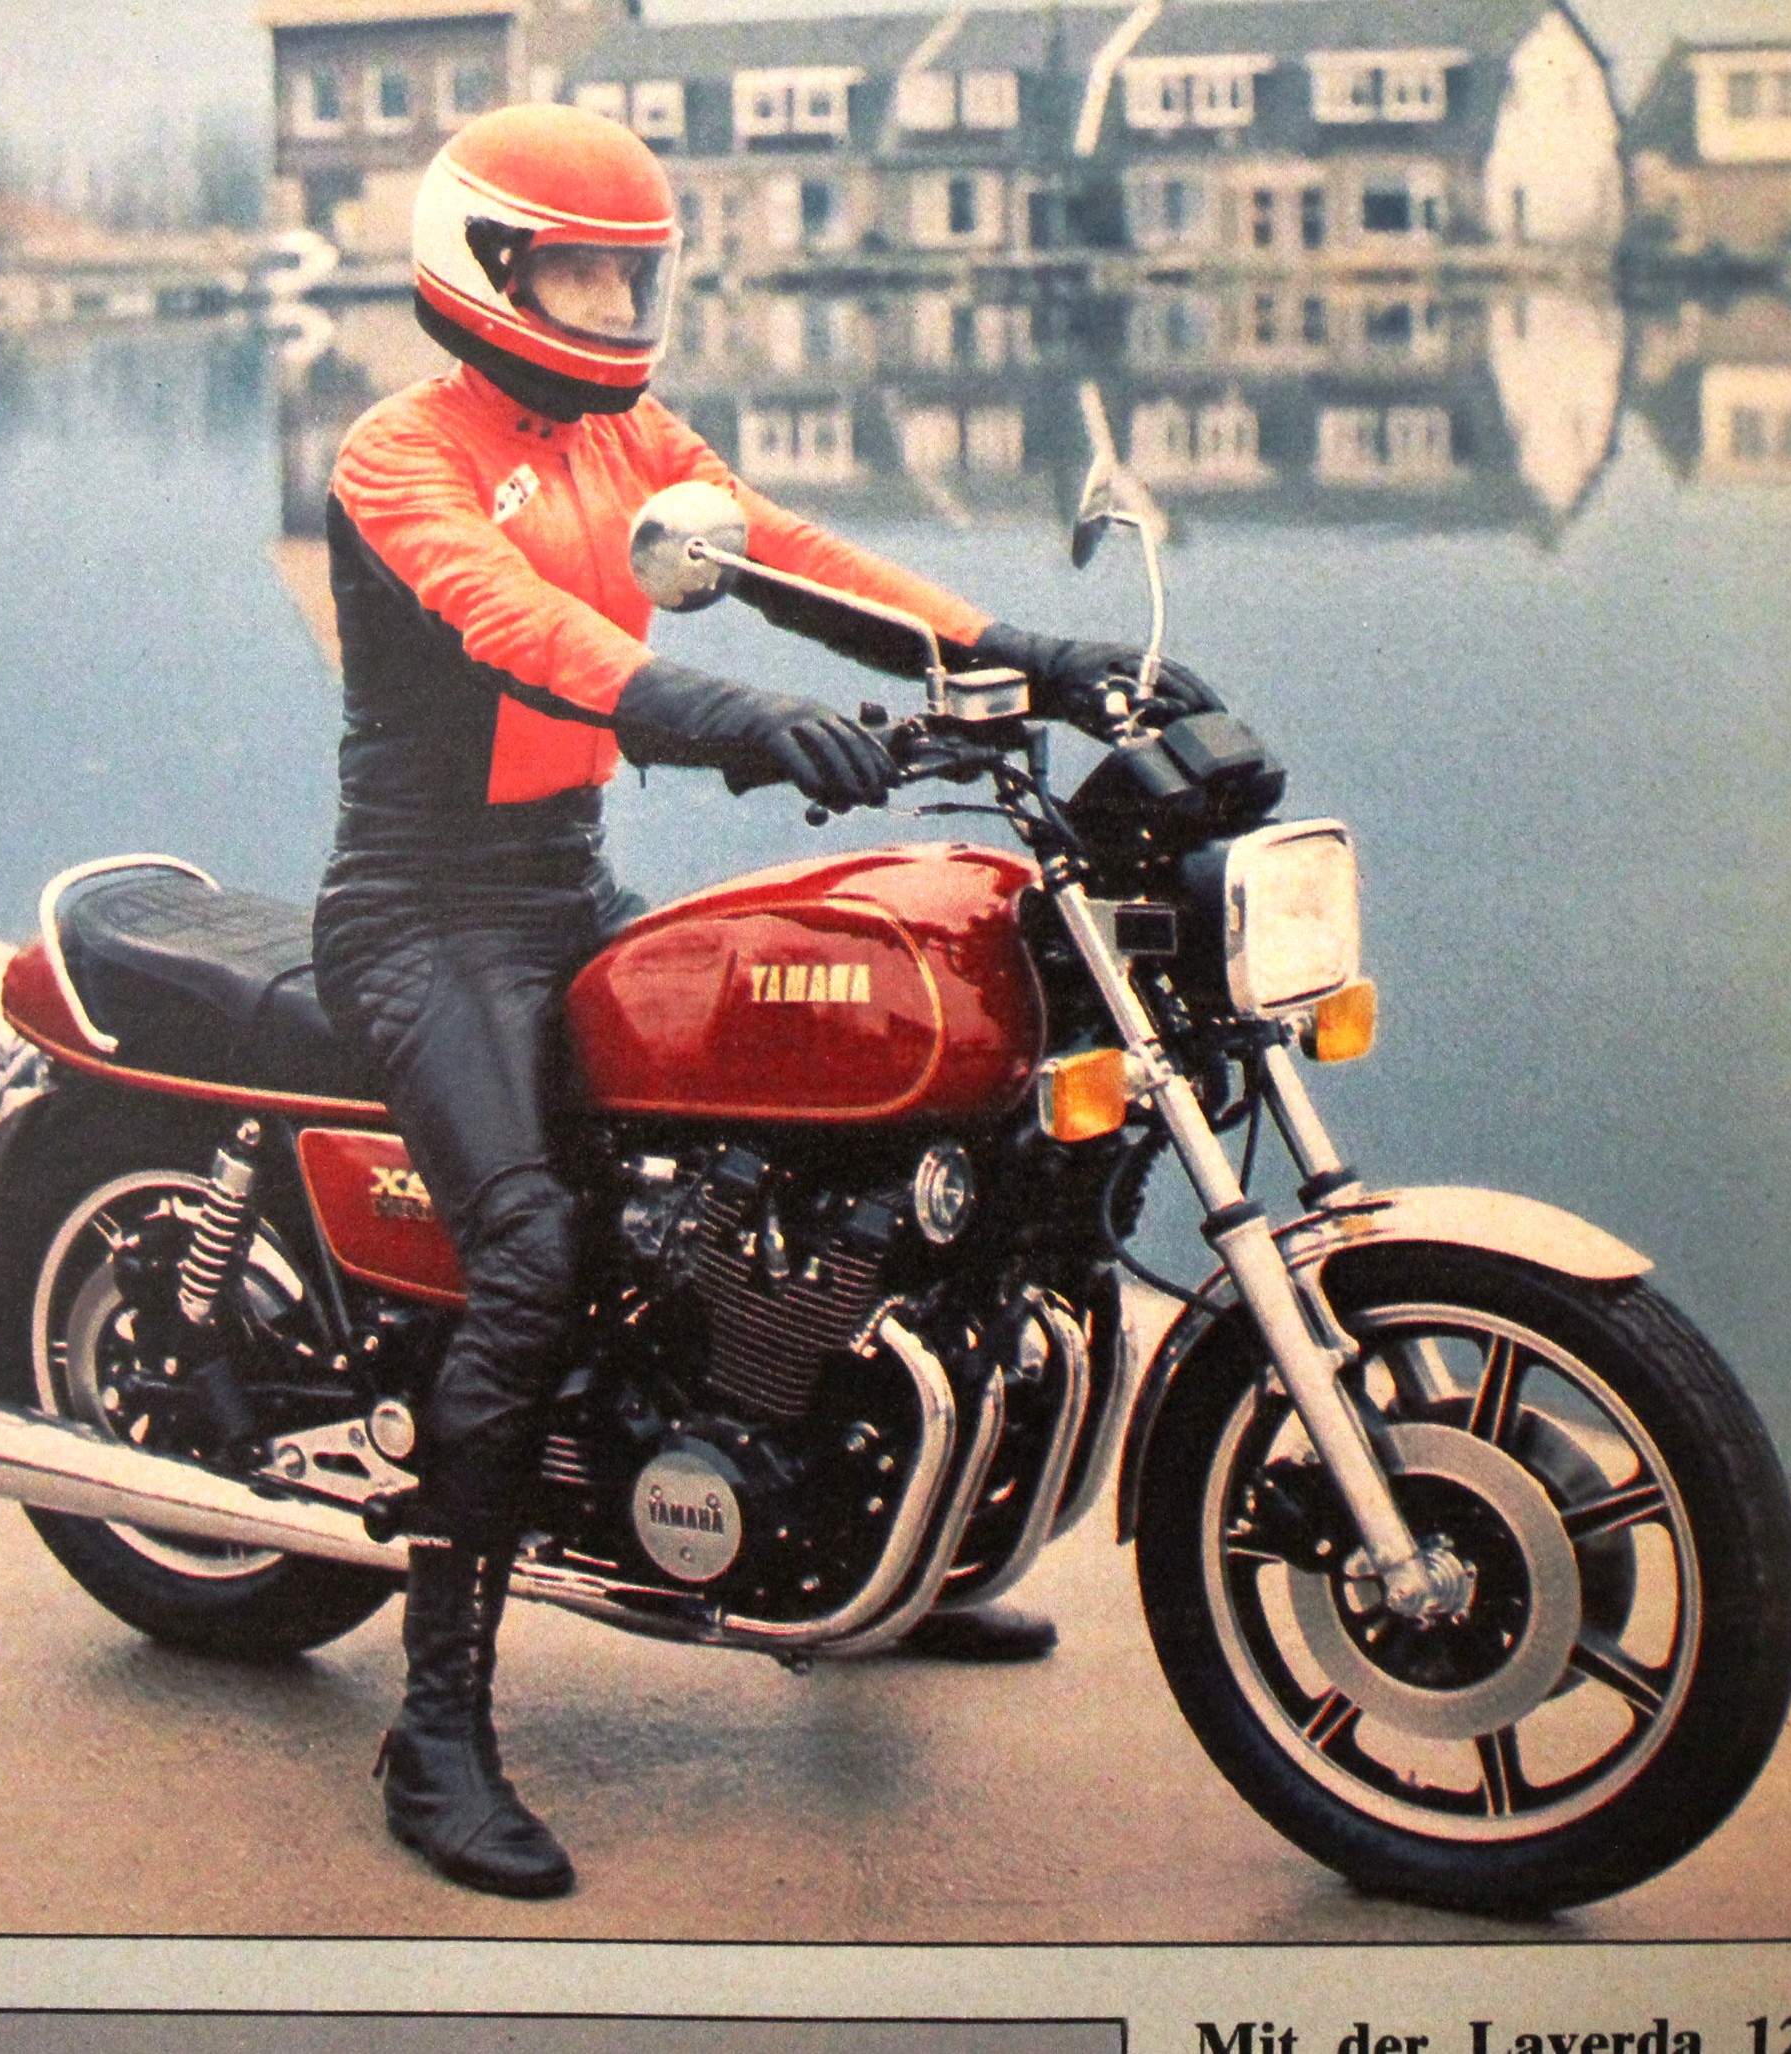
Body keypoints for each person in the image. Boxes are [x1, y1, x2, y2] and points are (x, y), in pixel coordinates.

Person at [311, 100, 1210, 1902]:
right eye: (581, 274)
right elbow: (522, 631)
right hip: (425, 918)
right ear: (486, 268)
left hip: (567, 890)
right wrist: (745, 722)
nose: (614, 305)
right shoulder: (396, 456)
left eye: (631, 276)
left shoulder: (630, 434)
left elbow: (796, 560)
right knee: (535, 1253)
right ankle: (437, 1726)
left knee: (802, 1160)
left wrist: (1030, 659)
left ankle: (886, 1547)